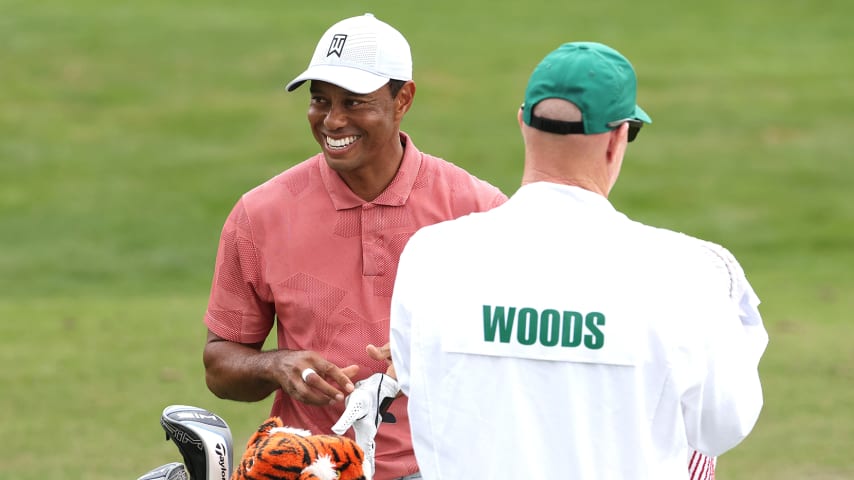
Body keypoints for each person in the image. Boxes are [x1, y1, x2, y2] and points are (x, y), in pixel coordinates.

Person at [389, 42, 768, 479]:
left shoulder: (432, 255)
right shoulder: (686, 272)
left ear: (522, 123)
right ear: (617, 138)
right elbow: (722, 427)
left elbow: (418, 381)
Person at [201, 13, 506, 480]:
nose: (332, 120)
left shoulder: (478, 212)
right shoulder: (260, 214)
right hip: (307, 467)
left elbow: (524, 351)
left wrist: (436, 351)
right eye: (319, 100)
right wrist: (276, 366)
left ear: (402, 99)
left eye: (354, 102)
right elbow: (220, 366)